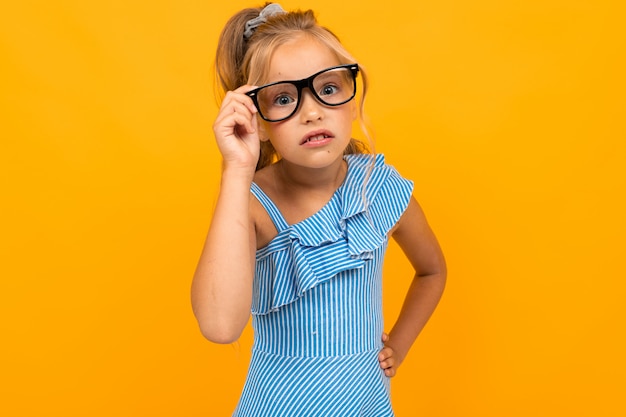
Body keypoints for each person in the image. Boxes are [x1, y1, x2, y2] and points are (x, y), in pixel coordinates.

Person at [191, 3, 446, 416]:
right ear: (256, 119)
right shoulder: (252, 203)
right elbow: (220, 327)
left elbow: (432, 270)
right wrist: (236, 170)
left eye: (328, 89)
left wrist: (398, 344)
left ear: (351, 95)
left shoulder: (376, 190)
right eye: (284, 98)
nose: (311, 112)